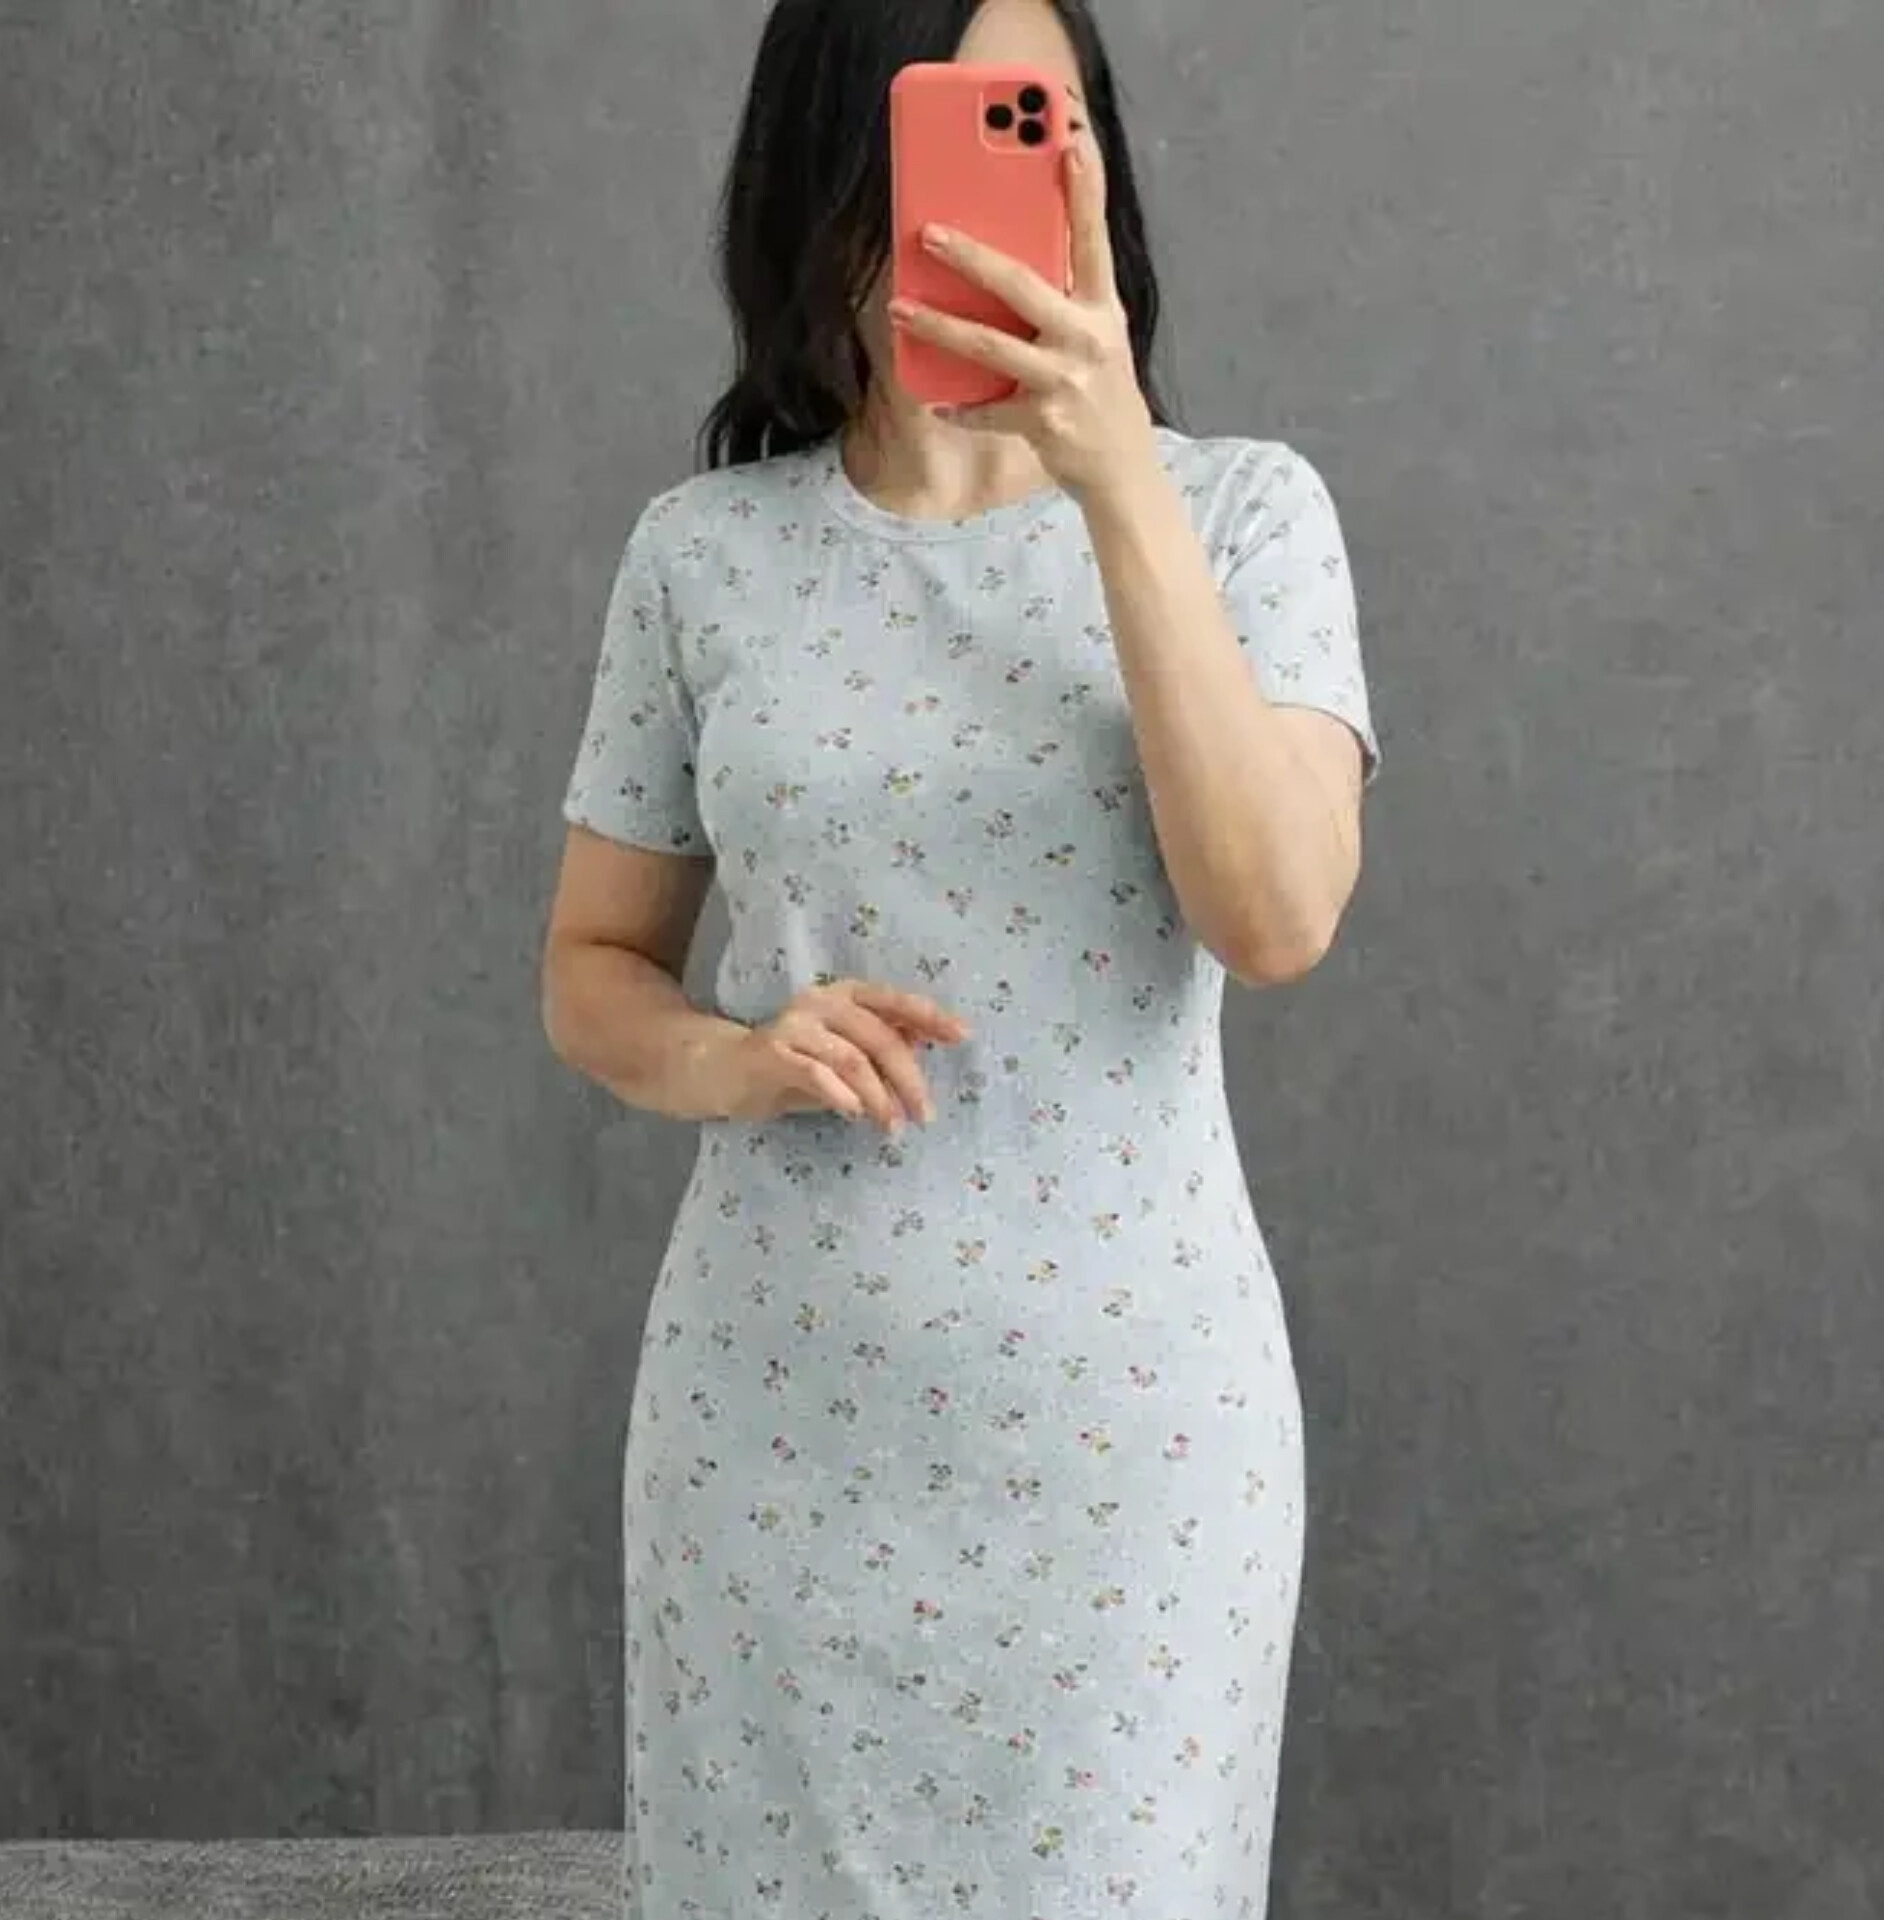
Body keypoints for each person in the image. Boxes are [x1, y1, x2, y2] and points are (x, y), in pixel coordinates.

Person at [542, 1, 1380, 1914]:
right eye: (962, 123)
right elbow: (590, 965)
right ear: (836, 163)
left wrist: (1116, 481)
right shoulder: (704, 555)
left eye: (1049, 122)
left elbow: (1275, 917)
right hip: (773, 1441)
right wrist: (741, 1054)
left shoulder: (1245, 514)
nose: (1021, 173)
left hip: (1131, 1462)